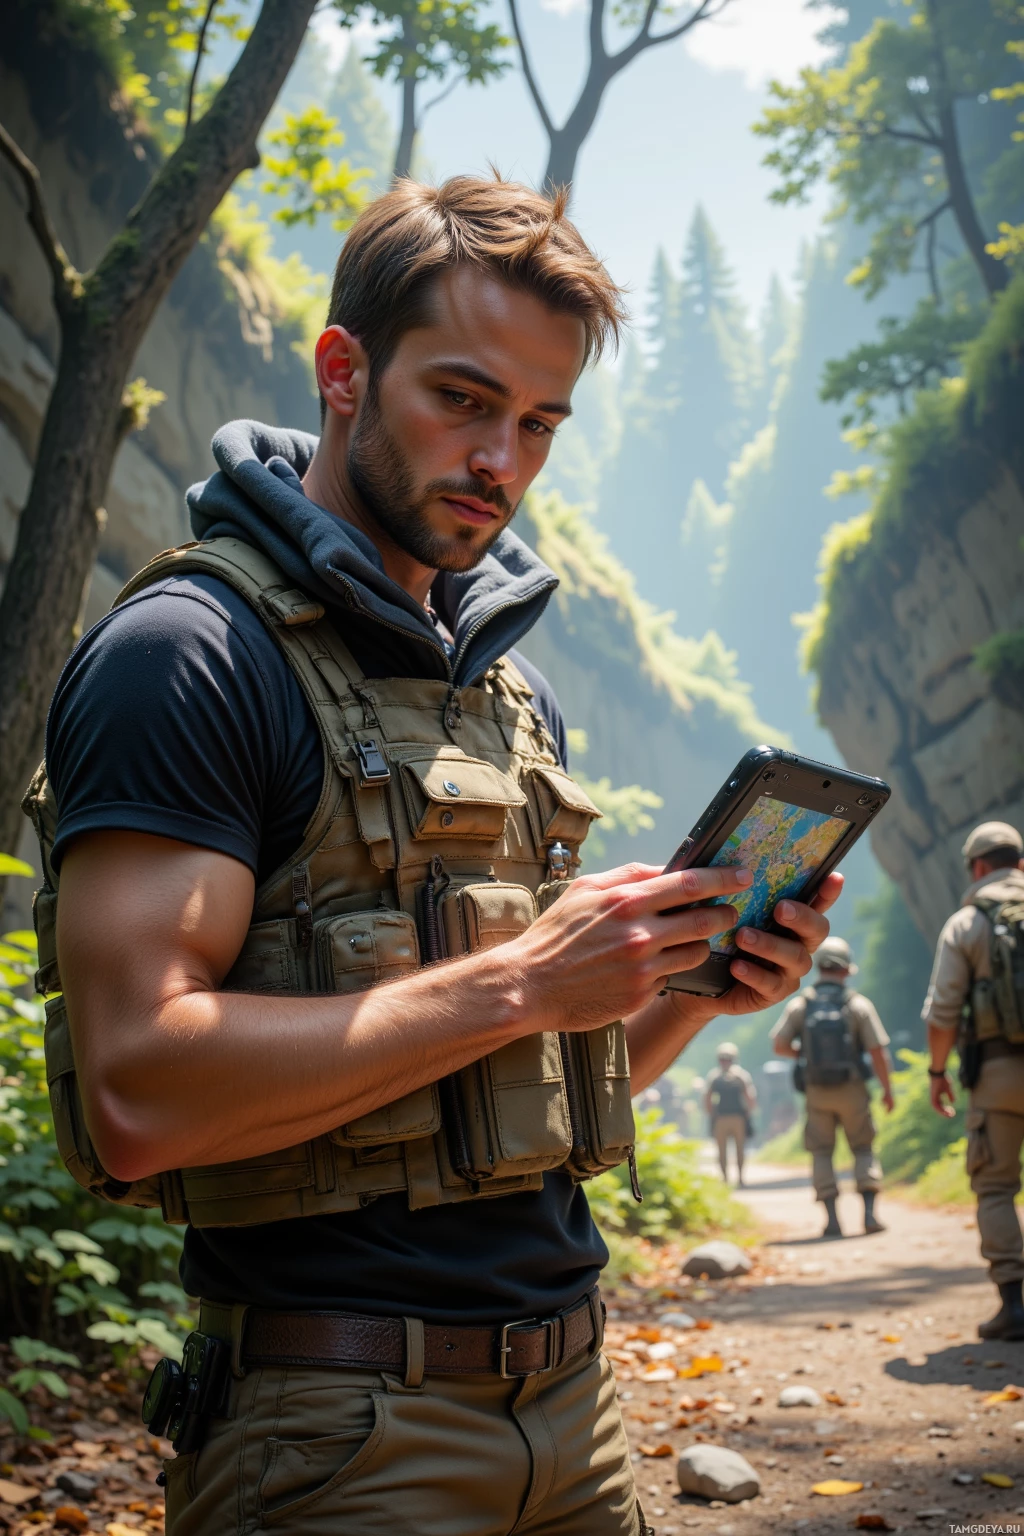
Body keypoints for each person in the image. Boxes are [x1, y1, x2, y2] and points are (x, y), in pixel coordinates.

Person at [33, 175, 840, 1536]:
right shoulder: (187, 658)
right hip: (340, 1440)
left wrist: (688, 987)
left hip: (577, 1419)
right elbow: (136, 1097)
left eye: (538, 423)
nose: (504, 463)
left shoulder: (505, 696)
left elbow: (523, 1094)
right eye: (463, 401)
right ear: (342, 372)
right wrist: (526, 980)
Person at [924, 820, 1024, 1342]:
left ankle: (1014, 1304)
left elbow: (942, 1012)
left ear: (978, 867)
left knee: (996, 1186)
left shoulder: (966, 924)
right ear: (1020, 862)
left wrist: (938, 1072)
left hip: (999, 1074)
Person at [771, 936, 894, 1239]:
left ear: (818, 966)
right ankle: (868, 1215)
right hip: (852, 1089)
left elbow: (779, 1044)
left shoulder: (802, 1004)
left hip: (816, 1091)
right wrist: (887, 1089)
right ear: (846, 970)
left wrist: (806, 1054)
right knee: (863, 1147)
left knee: (821, 1152)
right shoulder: (858, 1004)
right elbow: (877, 1050)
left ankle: (832, 1222)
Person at [703, 1042, 756, 1186]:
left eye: (728, 1058)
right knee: (722, 1151)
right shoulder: (717, 1076)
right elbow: (707, 1098)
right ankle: (725, 1178)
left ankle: (739, 1177)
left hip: (735, 1117)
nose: (725, 1061)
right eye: (723, 1058)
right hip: (724, 1117)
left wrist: (748, 1114)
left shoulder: (739, 1076)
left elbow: (749, 1097)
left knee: (740, 1150)